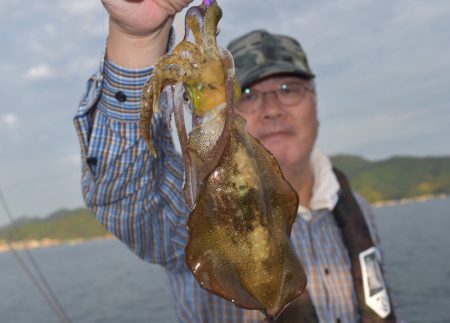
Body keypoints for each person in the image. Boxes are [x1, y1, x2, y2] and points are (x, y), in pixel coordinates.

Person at [74, 0, 397, 322]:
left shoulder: (358, 210)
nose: (272, 108)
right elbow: (124, 190)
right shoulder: (187, 214)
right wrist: (137, 38)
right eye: (247, 93)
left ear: (315, 101)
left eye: (289, 88)